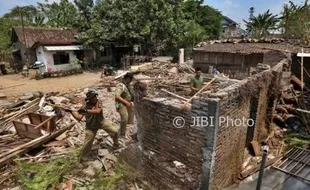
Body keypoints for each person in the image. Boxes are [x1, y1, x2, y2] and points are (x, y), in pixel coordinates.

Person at [67, 90, 120, 162]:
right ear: (89, 99)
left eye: (95, 96)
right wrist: (71, 112)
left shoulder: (99, 102)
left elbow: (98, 111)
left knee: (115, 131)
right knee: (87, 143)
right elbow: (79, 118)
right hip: (91, 126)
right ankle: (83, 159)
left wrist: (86, 111)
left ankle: (116, 145)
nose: (95, 98)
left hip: (101, 122)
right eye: (93, 97)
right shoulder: (85, 106)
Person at [115, 72, 135, 138]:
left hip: (128, 103)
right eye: (130, 80)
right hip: (121, 104)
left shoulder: (127, 85)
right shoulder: (121, 85)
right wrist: (126, 102)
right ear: (127, 78)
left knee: (130, 117)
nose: (131, 81)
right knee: (124, 117)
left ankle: (126, 128)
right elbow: (117, 96)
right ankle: (122, 133)